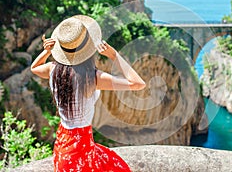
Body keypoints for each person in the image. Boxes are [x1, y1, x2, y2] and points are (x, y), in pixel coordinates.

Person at [31, 15, 146, 171]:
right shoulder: (91, 78)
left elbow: (34, 68)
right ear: (88, 49)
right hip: (82, 149)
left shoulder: (53, 70)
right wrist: (113, 55)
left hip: (62, 146)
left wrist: (46, 52)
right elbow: (138, 84)